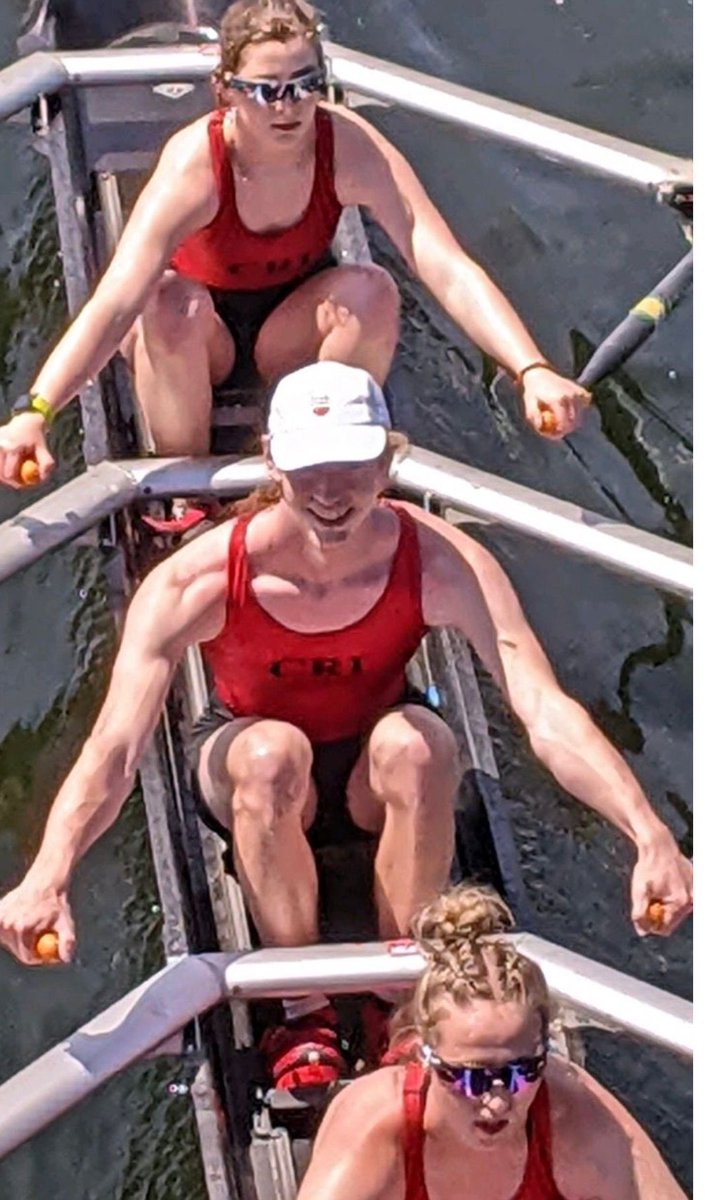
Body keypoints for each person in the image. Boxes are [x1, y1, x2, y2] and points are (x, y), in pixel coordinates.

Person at [0, 363, 690, 1085]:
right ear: (270, 460)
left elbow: (543, 710)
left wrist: (648, 836)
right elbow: (115, 750)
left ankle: (400, 993)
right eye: (308, 470)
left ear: (388, 457)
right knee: (272, 756)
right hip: (251, 763)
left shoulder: (444, 563)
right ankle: (301, 1003)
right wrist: (50, 874)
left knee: (423, 745)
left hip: (374, 765)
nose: (330, 494)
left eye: (352, 467)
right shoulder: (196, 580)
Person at [0, 0, 590, 494]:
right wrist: (38, 410)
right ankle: (186, 490)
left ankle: (331, 468)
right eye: (266, 91)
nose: (289, 107)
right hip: (199, 338)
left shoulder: (350, 146)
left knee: (373, 293)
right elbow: (115, 303)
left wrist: (530, 368)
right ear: (224, 91)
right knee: (168, 304)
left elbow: (445, 265)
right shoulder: (194, 166)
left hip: (290, 329)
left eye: (305, 86)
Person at [297, 883, 688, 1200]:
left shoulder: (579, 1122)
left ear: (544, 1052)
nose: (498, 1101)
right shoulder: (374, 1130)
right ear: (427, 1056)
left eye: (522, 1072)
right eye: (472, 1078)